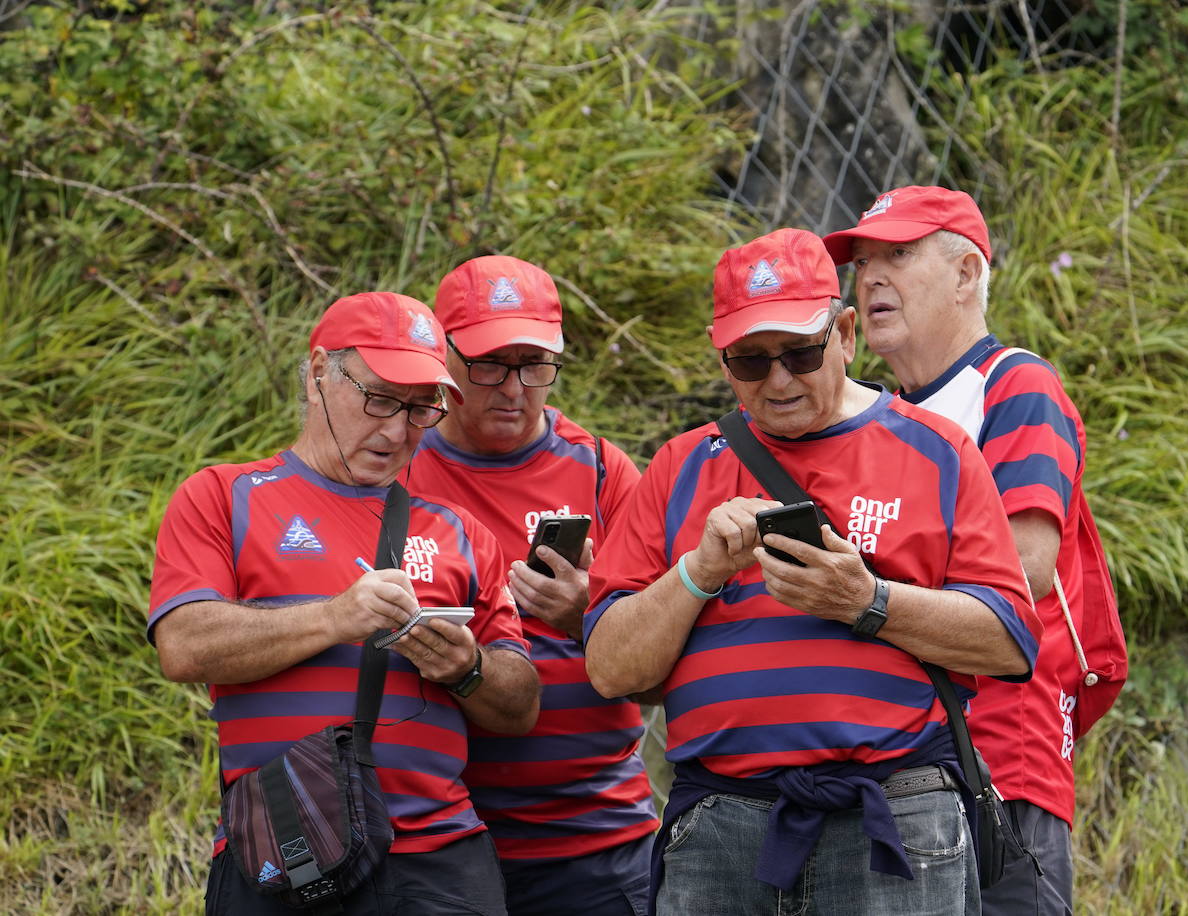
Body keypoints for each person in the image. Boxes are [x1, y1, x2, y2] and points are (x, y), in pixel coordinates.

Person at [582, 228, 1042, 916]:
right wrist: (698, 573)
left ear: (846, 334)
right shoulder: (681, 467)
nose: (778, 379)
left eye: (800, 352)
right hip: (722, 822)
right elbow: (611, 669)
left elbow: (1008, 641)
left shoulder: (937, 451)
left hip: (895, 810)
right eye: (749, 360)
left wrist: (870, 601)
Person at [148, 290, 542, 915]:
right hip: (285, 846)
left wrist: (466, 669)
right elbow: (184, 643)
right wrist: (334, 617)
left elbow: (520, 705)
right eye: (380, 399)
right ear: (318, 374)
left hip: (439, 858)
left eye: (419, 409)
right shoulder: (223, 496)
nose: (395, 429)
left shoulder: (460, 532)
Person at [823, 185, 1128, 914]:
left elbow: (1025, 567)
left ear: (966, 274)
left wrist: (854, 585)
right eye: (862, 262)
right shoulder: (878, 413)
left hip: (998, 757)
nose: (870, 280)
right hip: (893, 759)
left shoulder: (1013, 384)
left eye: (898, 255)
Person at [405, 255, 659, 916]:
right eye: (489, 363)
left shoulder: (601, 468)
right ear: (443, 355)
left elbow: (666, 659)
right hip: (439, 839)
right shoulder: (397, 468)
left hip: (598, 835)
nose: (513, 388)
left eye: (535, 364)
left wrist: (587, 616)